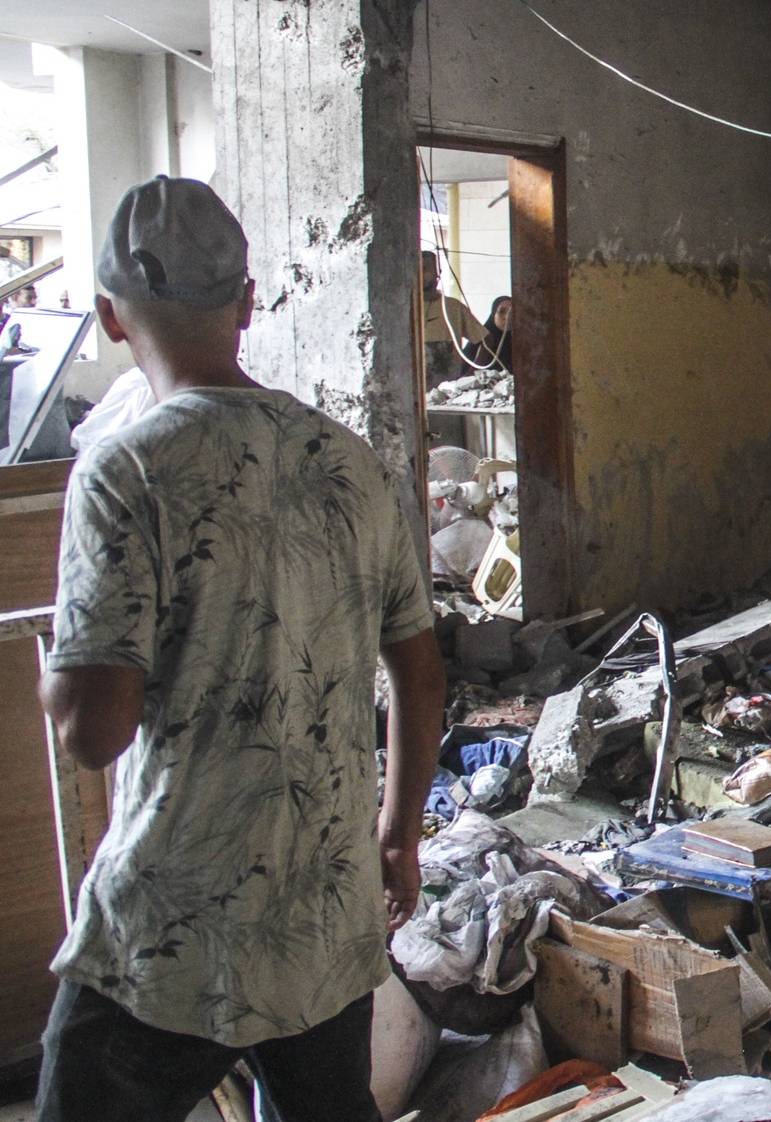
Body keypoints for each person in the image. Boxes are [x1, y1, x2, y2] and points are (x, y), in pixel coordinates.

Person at [35, 176, 445, 1121]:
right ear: (248, 303)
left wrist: (66, 671)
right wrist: (397, 837)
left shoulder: (123, 470)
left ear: (107, 317)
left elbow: (93, 733)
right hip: (324, 905)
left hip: (181, 917)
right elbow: (420, 677)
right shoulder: (351, 463)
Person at [420, 249, 482, 390]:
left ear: (438, 272)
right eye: (417, 269)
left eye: (425, 269)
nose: (421, 275)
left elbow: (485, 341)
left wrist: (469, 375)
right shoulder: (403, 310)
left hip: (447, 393)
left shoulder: (453, 307)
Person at [479, 294, 513, 372]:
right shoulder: (482, 341)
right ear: (494, 314)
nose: (507, 317)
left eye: (511, 313)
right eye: (502, 312)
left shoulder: (523, 344)